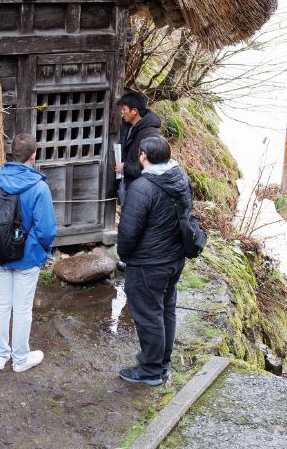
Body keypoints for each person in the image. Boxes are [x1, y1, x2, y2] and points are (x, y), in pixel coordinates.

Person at [0, 133, 57, 373]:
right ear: (34, 156)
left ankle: (0, 357)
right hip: (28, 256)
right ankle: (20, 360)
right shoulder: (39, 187)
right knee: (22, 308)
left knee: (1, 304)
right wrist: (42, 251)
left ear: (11, 154)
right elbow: (47, 230)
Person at [117, 135, 191, 386]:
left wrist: (124, 256)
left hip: (148, 263)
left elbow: (128, 232)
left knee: (149, 315)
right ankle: (161, 361)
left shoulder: (142, 187)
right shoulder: (180, 178)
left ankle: (150, 370)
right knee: (165, 310)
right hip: (173, 259)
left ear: (143, 156)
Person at [114, 91, 162, 202]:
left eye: (124, 109)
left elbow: (149, 166)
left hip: (141, 192)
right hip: (128, 186)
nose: (121, 112)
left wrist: (124, 167)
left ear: (134, 111)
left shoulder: (150, 133)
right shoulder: (128, 126)